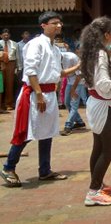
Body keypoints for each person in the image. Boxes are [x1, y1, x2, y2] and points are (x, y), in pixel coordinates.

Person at [1, 11, 77, 187]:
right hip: (36, 94)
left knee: (47, 133)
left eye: (60, 23)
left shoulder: (55, 48)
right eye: (54, 23)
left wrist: (79, 65)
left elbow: (58, 73)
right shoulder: (36, 44)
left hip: (49, 94)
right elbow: (30, 70)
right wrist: (38, 93)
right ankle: (8, 167)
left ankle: (45, 170)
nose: (58, 25)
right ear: (43, 25)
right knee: (28, 131)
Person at [79, 17, 111, 206]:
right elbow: (103, 84)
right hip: (102, 104)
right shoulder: (100, 54)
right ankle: (93, 192)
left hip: (98, 103)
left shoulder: (92, 52)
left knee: (99, 146)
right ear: (107, 35)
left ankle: (97, 185)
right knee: (109, 147)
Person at [59, 51, 88, 136]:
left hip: (78, 82)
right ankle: (79, 122)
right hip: (69, 81)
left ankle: (68, 126)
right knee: (67, 103)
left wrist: (73, 88)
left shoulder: (72, 57)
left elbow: (79, 75)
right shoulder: (55, 59)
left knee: (74, 104)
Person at [1, 29, 18, 111]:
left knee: (9, 84)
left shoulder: (14, 43)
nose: (6, 36)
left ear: (9, 36)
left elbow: (18, 56)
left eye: (7, 35)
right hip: (1, 63)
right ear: (1, 36)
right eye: (4, 35)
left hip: (11, 64)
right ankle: (1, 105)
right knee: (1, 84)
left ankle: (9, 104)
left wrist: (18, 67)